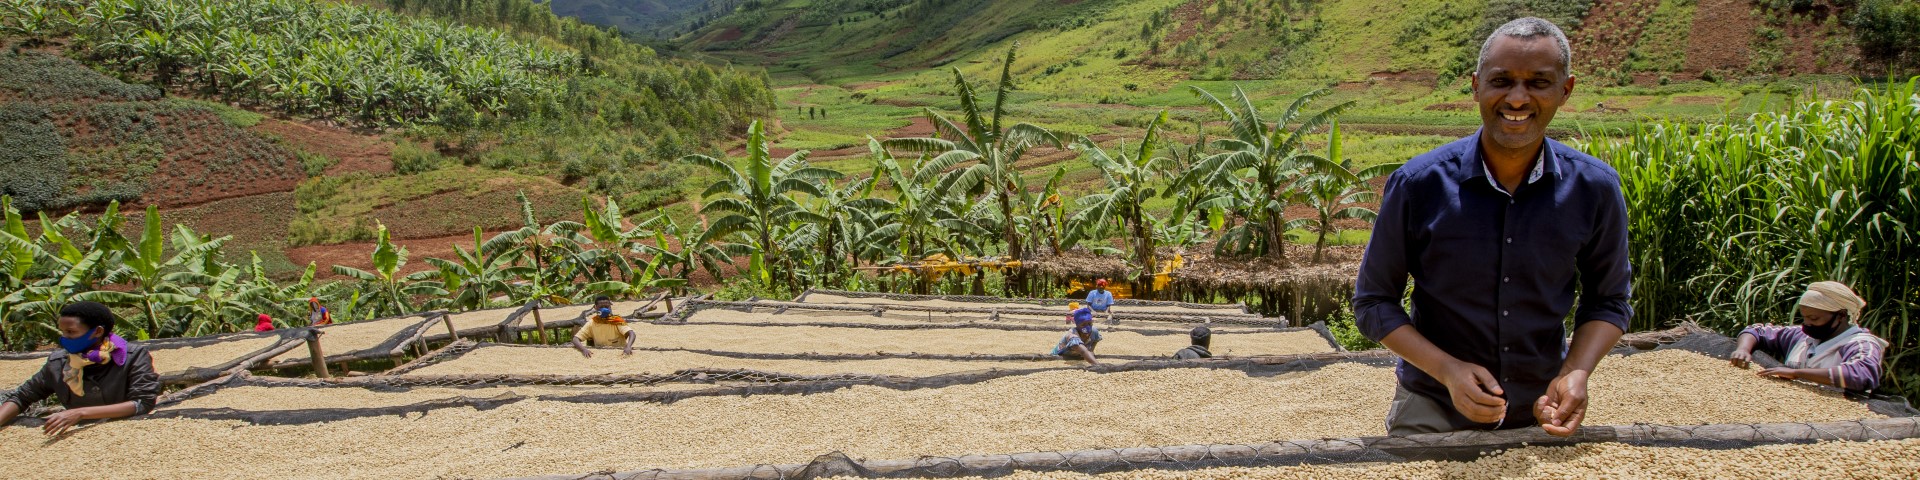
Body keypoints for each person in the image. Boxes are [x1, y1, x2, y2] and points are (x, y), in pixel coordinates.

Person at [1351, 17, 1632, 438]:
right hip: (1433, 403)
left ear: (1565, 90)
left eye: (1539, 82)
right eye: (1502, 80)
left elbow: (1609, 301)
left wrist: (1575, 372)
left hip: (1544, 408)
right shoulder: (1419, 184)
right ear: (1476, 85)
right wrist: (1447, 370)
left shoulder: (1594, 188)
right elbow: (1373, 303)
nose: (1517, 99)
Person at [0, 302, 160, 436]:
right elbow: (22, 397)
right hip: (77, 438)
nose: (64, 339)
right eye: (62, 332)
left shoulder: (132, 356)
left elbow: (142, 403)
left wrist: (80, 413)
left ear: (97, 331)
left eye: (71, 332)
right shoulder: (58, 363)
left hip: (128, 433)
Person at [1729, 282, 1888, 393]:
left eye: (1814, 319)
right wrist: (1743, 349)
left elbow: (1861, 374)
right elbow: (1757, 331)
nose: (1806, 324)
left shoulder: (1860, 344)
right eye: (1804, 317)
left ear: (1840, 316)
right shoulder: (1801, 336)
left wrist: (1797, 373)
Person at [571, 295, 635, 358]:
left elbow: (631, 333)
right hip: (600, 355)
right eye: (601, 307)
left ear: (610, 307)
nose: (604, 309)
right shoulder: (592, 323)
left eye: (606, 306)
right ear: (595, 307)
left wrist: (628, 347)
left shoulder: (616, 321)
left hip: (620, 353)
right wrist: (583, 350)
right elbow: (575, 339)